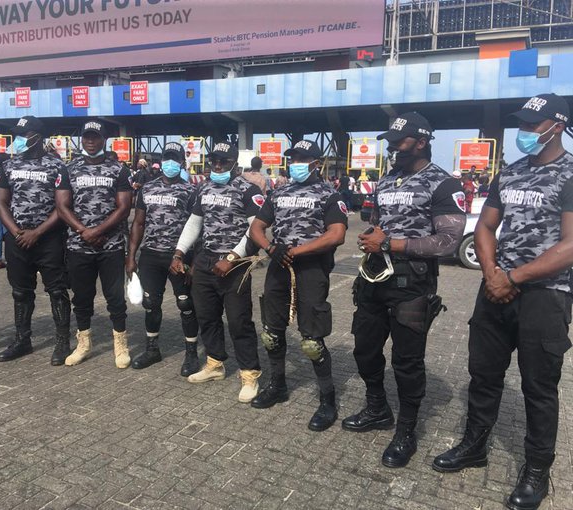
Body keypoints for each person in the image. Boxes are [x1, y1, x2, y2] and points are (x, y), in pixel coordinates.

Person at [433, 94, 573, 510]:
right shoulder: (509, 173)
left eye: (532, 125)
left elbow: (570, 245)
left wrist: (513, 277)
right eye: (522, 124)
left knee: (538, 387)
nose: (523, 132)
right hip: (495, 290)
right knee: (483, 374)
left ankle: (537, 470)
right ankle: (474, 445)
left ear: (557, 126)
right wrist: (492, 274)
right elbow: (485, 227)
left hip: (546, 295)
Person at [343, 112, 466, 468]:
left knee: (407, 361)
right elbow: (376, 224)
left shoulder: (444, 184)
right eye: (392, 143)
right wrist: (372, 238)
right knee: (365, 349)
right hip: (374, 279)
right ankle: (377, 408)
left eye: (400, 142)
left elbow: (448, 242)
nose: (393, 148)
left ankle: (407, 430)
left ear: (422, 142)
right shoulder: (386, 180)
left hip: (412, 284)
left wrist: (390, 243)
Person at [249, 140, 348, 431]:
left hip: (311, 269)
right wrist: (270, 248)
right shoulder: (279, 192)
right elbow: (256, 228)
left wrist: (296, 251)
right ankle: (277, 385)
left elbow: (337, 234)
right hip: (278, 266)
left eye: (302, 159)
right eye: (293, 159)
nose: (296, 164)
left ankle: (327, 399)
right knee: (271, 333)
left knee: (312, 341)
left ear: (316, 163)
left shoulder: (329, 195)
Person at [170, 141, 264, 403]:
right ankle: (215, 363)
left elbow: (256, 229)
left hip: (235, 264)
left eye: (224, 161)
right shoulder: (204, 187)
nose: (218, 166)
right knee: (207, 316)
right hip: (206, 260)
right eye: (214, 161)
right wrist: (179, 252)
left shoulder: (248, 189)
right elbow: (194, 223)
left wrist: (232, 258)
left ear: (235, 163)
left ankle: (249, 373)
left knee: (238, 321)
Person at [0, 116, 72, 365]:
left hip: (49, 238)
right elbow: (0, 202)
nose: (18, 140)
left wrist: (37, 232)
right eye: (17, 134)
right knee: (20, 291)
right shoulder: (9, 166)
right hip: (17, 238)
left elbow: (62, 206)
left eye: (23, 135)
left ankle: (62, 342)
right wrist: (17, 232)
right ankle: (22, 340)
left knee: (57, 290)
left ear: (37, 137)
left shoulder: (57, 166)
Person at [55, 120, 133, 367]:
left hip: (111, 244)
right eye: (87, 136)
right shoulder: (69, 169)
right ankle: (84, 343)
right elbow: (62, 206)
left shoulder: (119, 170)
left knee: (115, 298)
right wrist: (83, 231)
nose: (90, 141)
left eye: (95, 137)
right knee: (82, 297)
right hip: (79, 245)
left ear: (104, 140)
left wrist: (98, 231)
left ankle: (120, 344)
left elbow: (124, 207)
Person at [126, 142, 200, 376]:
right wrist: (131, 256)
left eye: (175, 159)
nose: (170, 163)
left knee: (186, 304)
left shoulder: (191, 191)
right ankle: (152, 349)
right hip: (150, 255)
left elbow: (198, 227)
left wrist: (194, 263)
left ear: (182, 163)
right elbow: (138, 223)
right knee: (150, 304)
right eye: (167, 158)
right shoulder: (147, 189)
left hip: (179, 256)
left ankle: (191, 354)